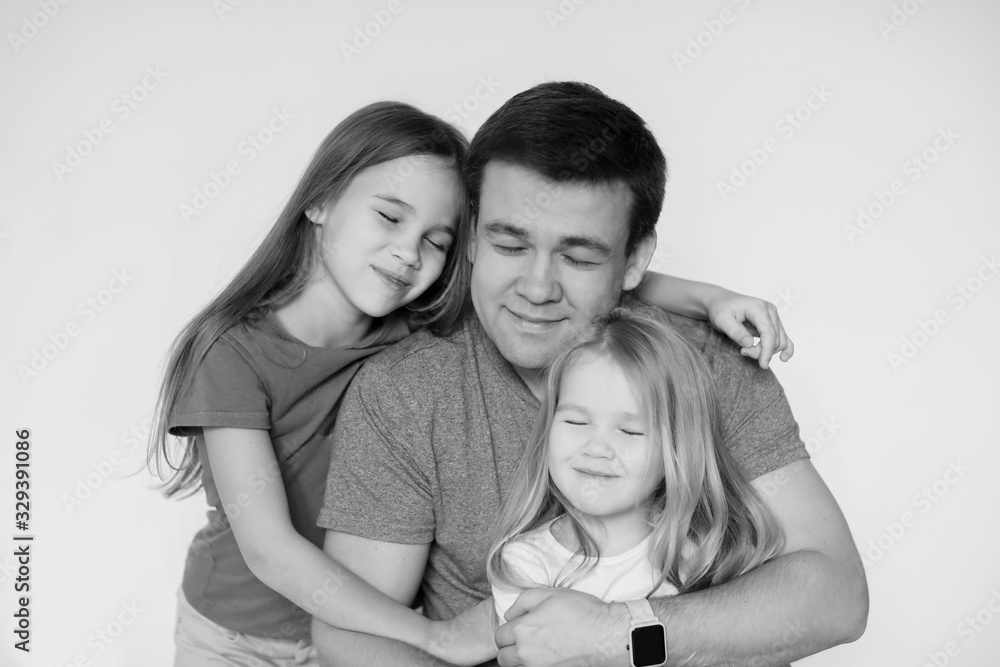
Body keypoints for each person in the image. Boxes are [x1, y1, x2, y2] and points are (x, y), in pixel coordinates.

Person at [149, 99, 793, 666]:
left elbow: (585, 275)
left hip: (351, 622)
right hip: (238, 632)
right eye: (388, 217)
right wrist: (437, 640)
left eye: (436, 239)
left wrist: (707, 297)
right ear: (317, 201)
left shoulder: (415, 311)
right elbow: (270, 553)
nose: (408, 254)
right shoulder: (234, 353)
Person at [313, 81, 868, 667]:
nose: (536, 288)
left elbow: (836, 596)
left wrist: (618, 634)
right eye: (508, 244)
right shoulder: (405, 394)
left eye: (578, 258)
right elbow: (352, 637)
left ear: (634, 260)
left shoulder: (708, 365)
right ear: (471, 234)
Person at [487, 307, 785, 631]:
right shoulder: (524, 565)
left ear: (678, 449)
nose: (597, 448)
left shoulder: (703, 557)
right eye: (576, 421)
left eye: (629, 431)